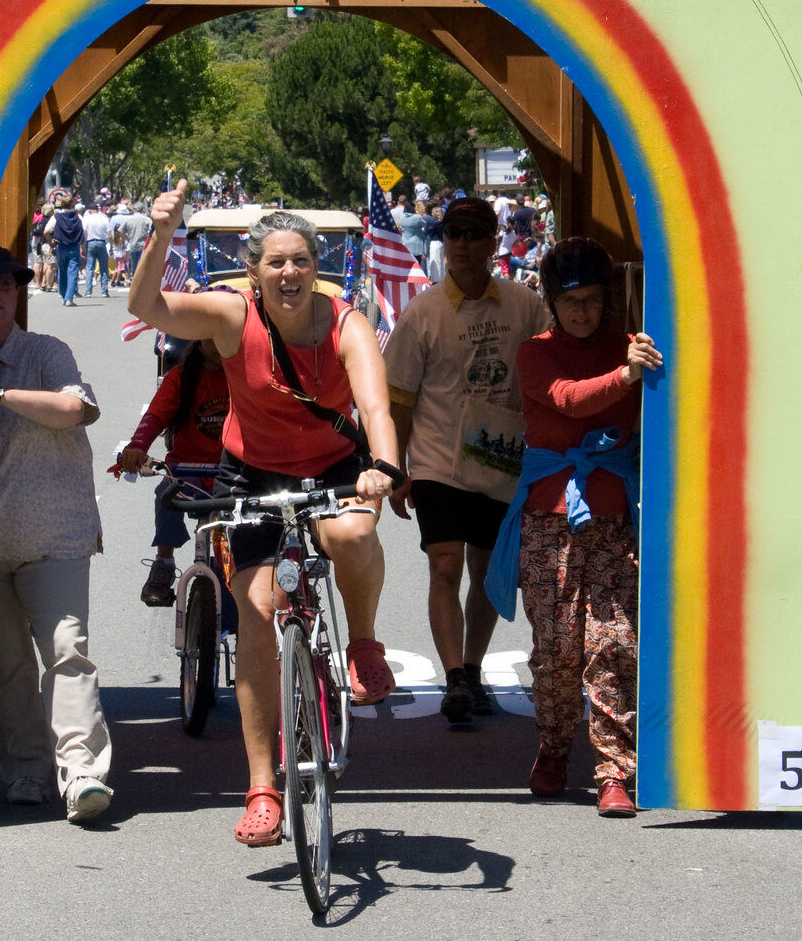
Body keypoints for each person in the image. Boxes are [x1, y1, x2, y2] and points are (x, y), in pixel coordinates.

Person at [128, 182, 403, 848]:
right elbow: (147, 305)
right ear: (253, 270)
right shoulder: (230, 316)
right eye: (275, 261)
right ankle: (261, 786)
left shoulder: (346, 321)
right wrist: (162, 230)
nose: (288, 272)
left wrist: (382, 470)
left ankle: (361, 641)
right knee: (254, 613)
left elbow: (375, 408)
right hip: (249, 471)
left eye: (300, 260)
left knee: (350, 530)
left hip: (335, 461)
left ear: (318, 267)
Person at [486, 236, 662, 817]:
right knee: (557, 647)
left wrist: (633, 366)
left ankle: (614, 768)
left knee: (614, 644)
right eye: (572, 301)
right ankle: (554, 746)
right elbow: (568, 399)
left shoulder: (631, 347)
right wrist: (625, 376)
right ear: (553, 303)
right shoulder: (535, 352)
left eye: (592, 299)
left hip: (614, 521)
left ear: (605, 299)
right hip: (548, 520)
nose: (583, 311)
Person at [384, 197, 550, 722]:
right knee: (445, 565)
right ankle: (453, 676)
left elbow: (553, 370)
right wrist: (396, 471)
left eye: (475, 233)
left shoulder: (525, 306)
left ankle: (473, 670)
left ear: (493, 241)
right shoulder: (423, 313)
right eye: (453, 233)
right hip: (437, 462)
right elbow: (398, 400)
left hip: (502, 460)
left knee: (484, 571)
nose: (462, 244)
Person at [0, 242, 112, 821]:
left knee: (66, 651)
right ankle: (27, 772)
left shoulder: (45, 352)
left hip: (53, 535)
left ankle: (82, 773)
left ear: (17, 294)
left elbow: (74, 408)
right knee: (5, 665)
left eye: (4, 286)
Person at [116, 336, 230, 605]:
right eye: (211, 338)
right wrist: (137, 445)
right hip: (187, 470)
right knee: (165, 491)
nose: (219, 344)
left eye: (224, 335)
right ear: (200, 340)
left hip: (233, 471)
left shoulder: (247, 373)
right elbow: (155, 416)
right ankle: (164, 562)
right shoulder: (181, 376)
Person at [51, 196, 85, 305]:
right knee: (73, 272)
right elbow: (83, 232)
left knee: (62, 270)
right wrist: (83, 247)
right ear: (72, 204)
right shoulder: (78, 217)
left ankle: (63, 293)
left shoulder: (57, 217)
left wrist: (51, 242)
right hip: (74, 246)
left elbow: (46, 231)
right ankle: (69, 298)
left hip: (61, 246)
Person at [82, 202, 111, 297]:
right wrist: (111, 245)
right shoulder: (104, 218)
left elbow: (84, 233)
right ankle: (104, 291)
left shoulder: (86, 219)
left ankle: (88, 291)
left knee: (89, 267)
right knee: (104, 267)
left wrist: (82, 246)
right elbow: (109, 234)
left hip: (90, 242)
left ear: (90, 210)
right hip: (101, 242)